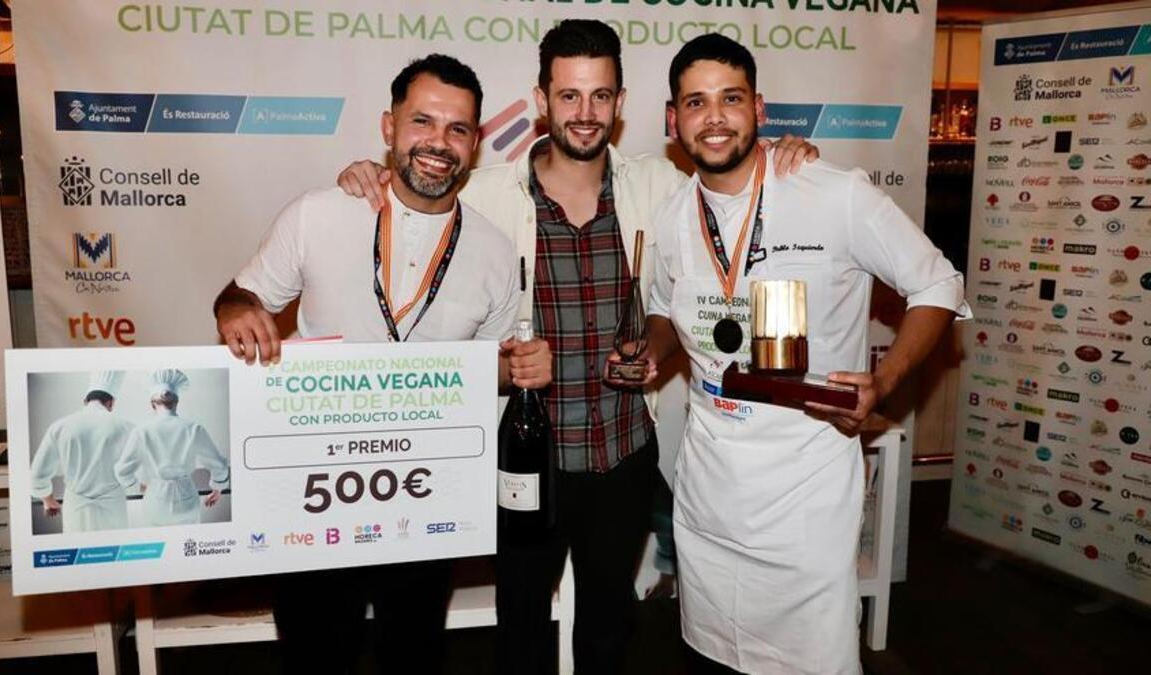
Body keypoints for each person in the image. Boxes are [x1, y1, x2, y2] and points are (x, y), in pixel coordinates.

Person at [336, 21, 819, 675]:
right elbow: (406, 193)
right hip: (525, 455)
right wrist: (364, 173)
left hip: (622, 452)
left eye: (599, 96)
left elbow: (681, 300)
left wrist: (791, 161)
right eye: (569, 96)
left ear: (620, 104)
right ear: (542, 99)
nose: (584, 113)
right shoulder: (481, 195)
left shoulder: (660, 189)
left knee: (607, 624)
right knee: (521, 624)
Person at [625, 34, 970, 674]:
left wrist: (884, 377)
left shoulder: (832, 193)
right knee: (711, 649)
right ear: (673, 121)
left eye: (730, 99)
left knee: (811, 659)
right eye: (695, 103)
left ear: (759, 108)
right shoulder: (675, 214)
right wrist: (653, 348)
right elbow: (669, 309)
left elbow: (939, 284)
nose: (715, 117)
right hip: (709, 487)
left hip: (804, 487)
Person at [212, 54, 552, 675]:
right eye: (422, 122)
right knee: (317, 654)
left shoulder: (495, 253)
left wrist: (521, 368)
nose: (438, 143)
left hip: (424, 498)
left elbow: (494, 370)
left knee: (415, 654)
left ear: (474, 144)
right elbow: (241, 295)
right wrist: (235, 311)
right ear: (388, 127)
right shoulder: (319, 213)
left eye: (457, 129)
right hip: (316, 498)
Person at [114, 369, 229, 526]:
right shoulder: (193, 428)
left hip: (156, 501)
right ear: (176, 402)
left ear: (152, 404)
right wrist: (218, 489)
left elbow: (122, 471)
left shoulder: (142, 431)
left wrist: (138, 487)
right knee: (189, 543)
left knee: (157, 545)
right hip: (187, 499)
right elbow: (219, 465)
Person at [30, 371, 133, 533]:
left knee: (78, 553)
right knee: (115, 554)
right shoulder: (126, 427)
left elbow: (37, 474)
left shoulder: (60, 427)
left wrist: (48, 499)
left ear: (85, 401)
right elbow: (142, 469)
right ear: (111, 402)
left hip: (75, 508)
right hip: (114, 508)